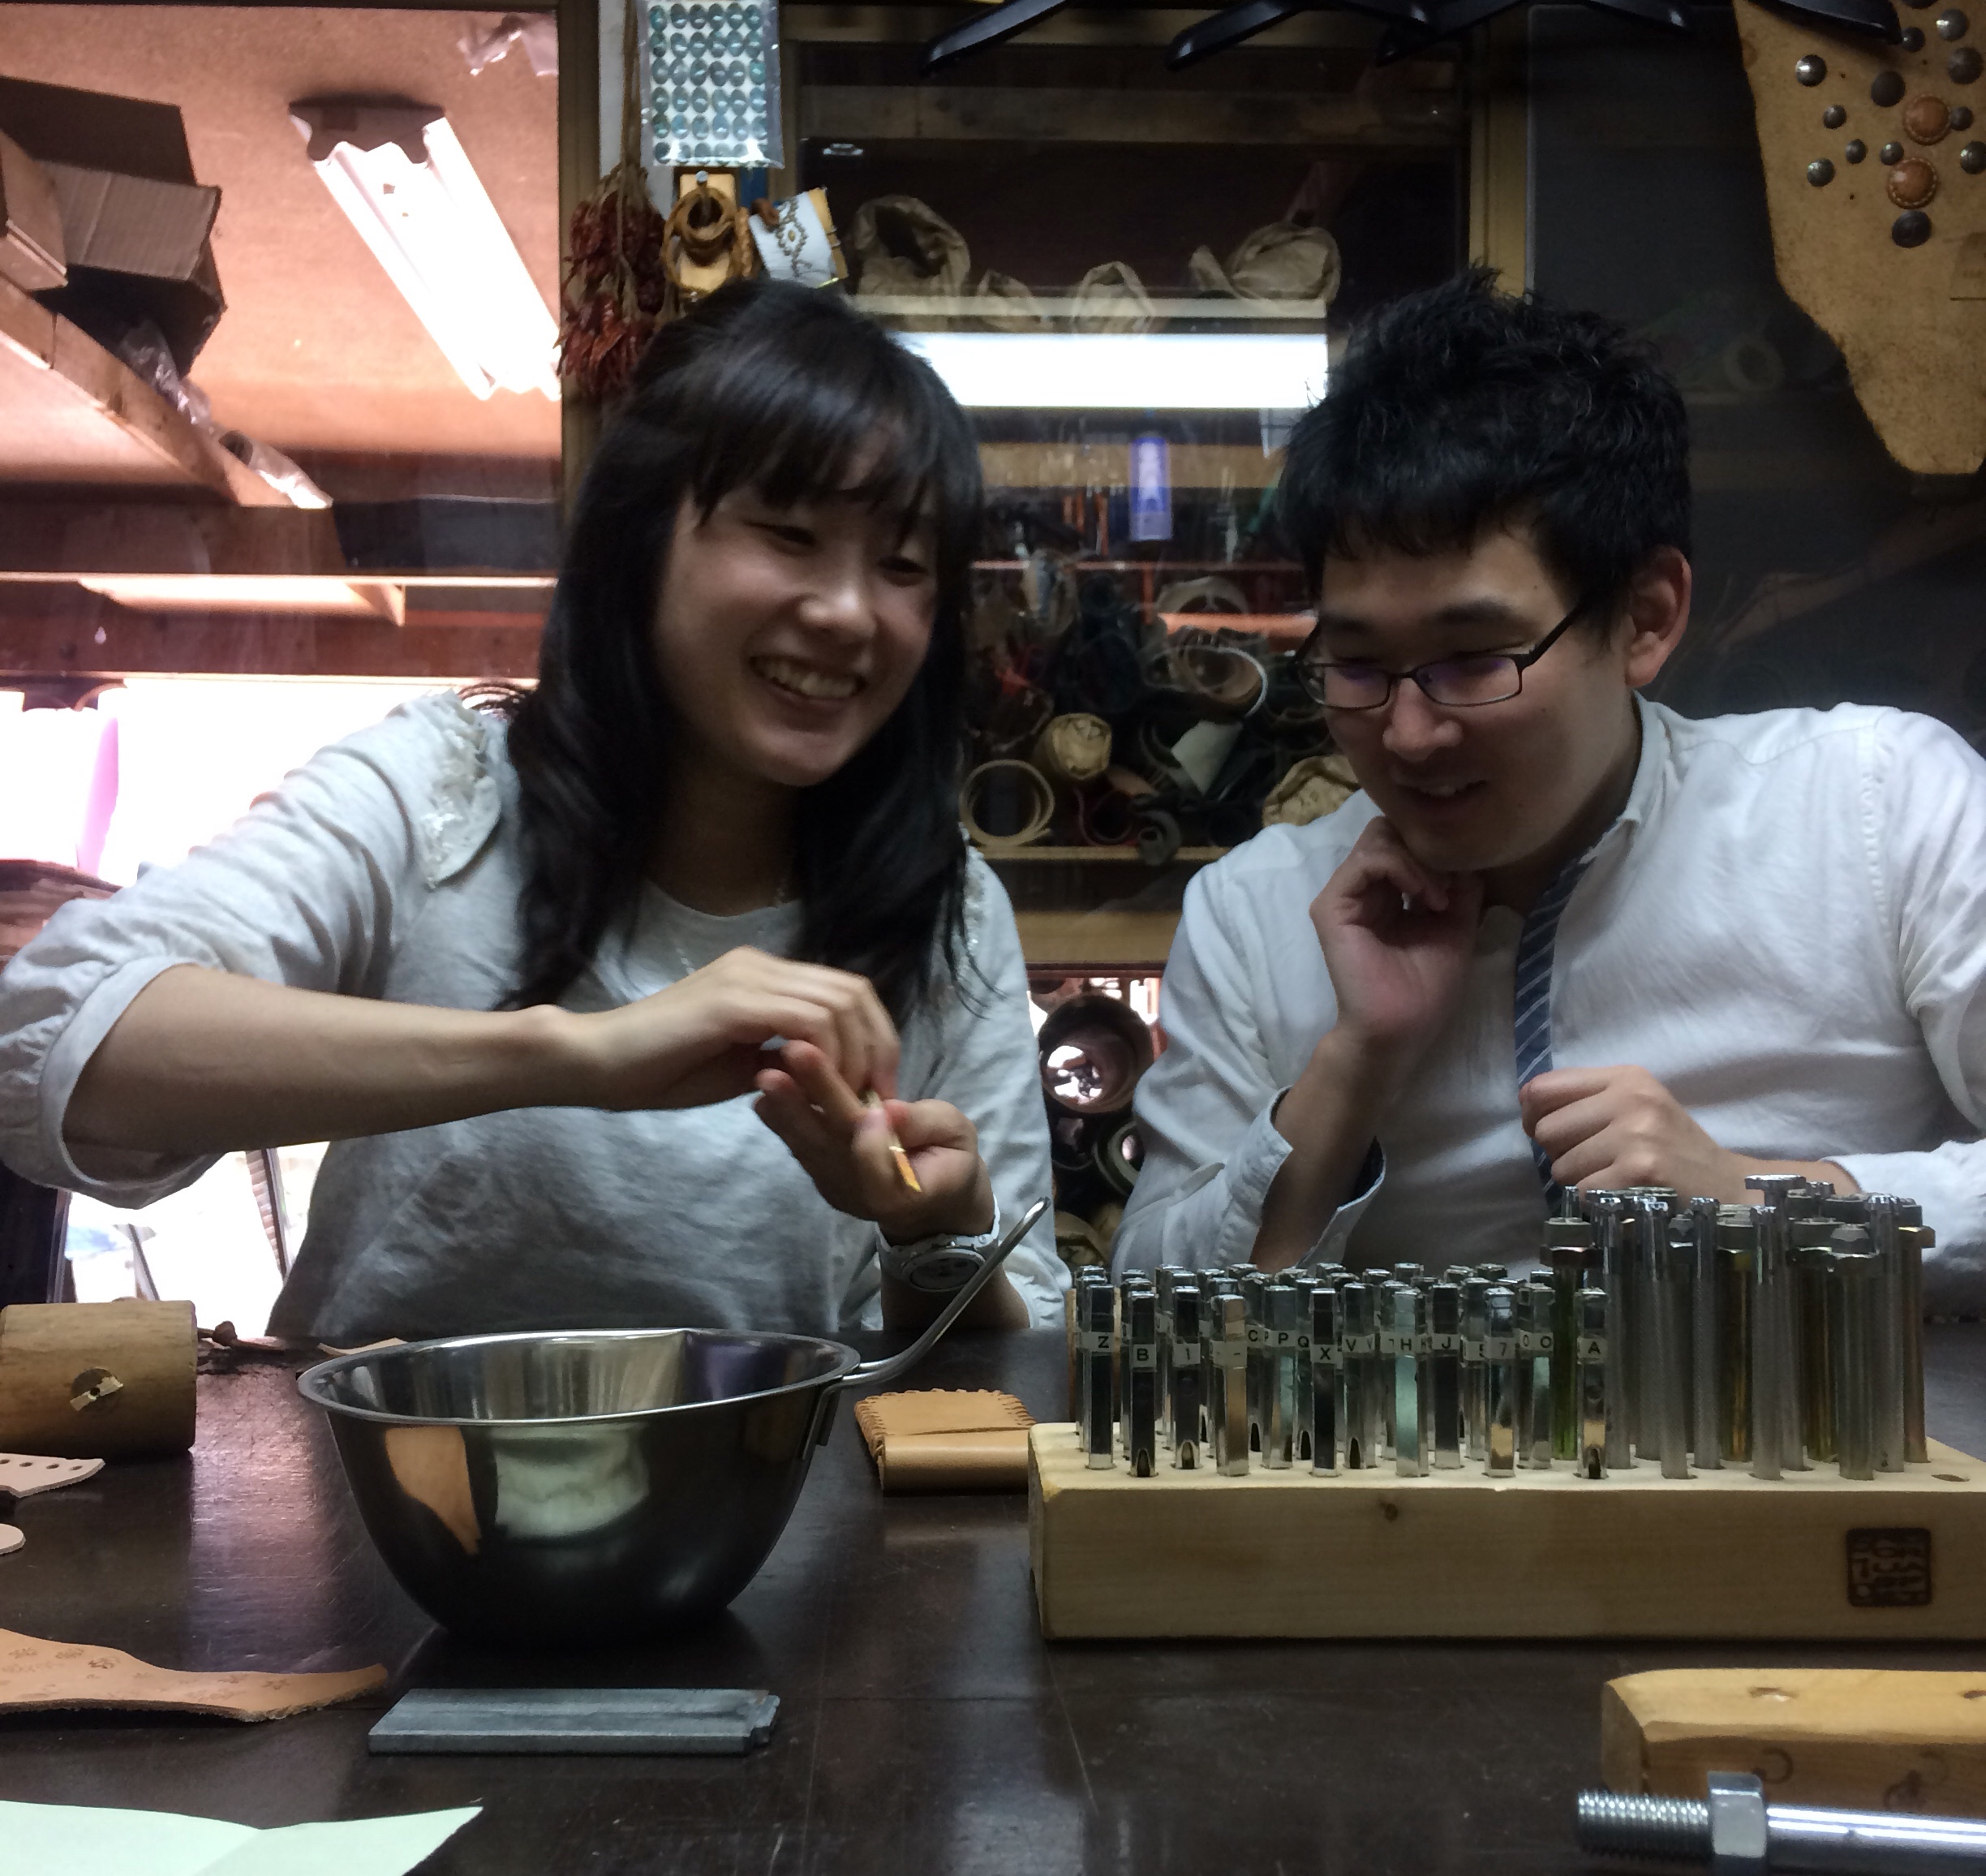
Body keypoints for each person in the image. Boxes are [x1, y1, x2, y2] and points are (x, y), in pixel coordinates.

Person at [0, 282, 1064, 1342]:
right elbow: (45, 1035)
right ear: (640, 543)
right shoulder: (444, 788)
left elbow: (1024, 1348)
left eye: (903, 566)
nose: (847, 612)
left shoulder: (949, 907)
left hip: (768, 1458)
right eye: (789, 534)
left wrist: (933, 1233)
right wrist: (572, 1056)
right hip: (387, 1454)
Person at [1116, 269, 1986, 1306]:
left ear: (1647, 617)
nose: (1408, 734)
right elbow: (1145, 1309)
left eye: (1474, 659)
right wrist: (1355, 1065)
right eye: (1356, 663)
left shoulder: (1879, 806)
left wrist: (1762, 1205)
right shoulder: (1257, 913)